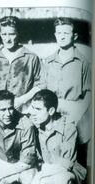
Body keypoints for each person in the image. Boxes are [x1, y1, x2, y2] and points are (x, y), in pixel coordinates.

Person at [41, 17, 91, 167]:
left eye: (66, 33)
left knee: (76, 157)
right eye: (59, 33)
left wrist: (78, 113)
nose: (61, 36)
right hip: (52, 112)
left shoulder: (83, 62)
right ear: (55, 35)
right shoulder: (48, 61)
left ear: (74, 36)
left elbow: (88, 92)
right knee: (53, 155)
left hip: (75, 113)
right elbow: (43, 90)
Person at [28, 90, 87, 184]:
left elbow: (65, 165)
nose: (32, 113)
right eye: (32, 107)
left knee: (61, 183)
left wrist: (39, 176)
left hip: (65, 172)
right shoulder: (34, 124)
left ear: (51, 111)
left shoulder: (68, 127)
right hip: (47, 171)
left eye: (38, 109)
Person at [0, 16, 42, 114]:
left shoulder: (31, 57)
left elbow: (40, 85)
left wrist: (21, 100)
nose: (8, 39)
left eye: (12, 34)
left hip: (22, 111)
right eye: (4, 34)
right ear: (0, 34)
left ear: (18, 33)